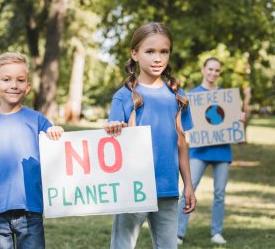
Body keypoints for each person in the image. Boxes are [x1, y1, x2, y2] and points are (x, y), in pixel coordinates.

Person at [103, 22, 196, 249]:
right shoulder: (123, 96)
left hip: (167, 188)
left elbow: (182, 143)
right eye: (150, 51)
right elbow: (109, 145)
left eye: (164, 52)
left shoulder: (178, 96)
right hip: (133, 189)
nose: (158, 58)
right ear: (134, 54)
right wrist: (114, 129)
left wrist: (189, 185)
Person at [0, 52, 64, 249]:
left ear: (27, 87)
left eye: (20, 80)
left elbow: (58, 145)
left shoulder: (37, 120)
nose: (14, 85)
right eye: (6, 79)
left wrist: (56, 131)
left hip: (30, 209)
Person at [177, 57, 240, 245]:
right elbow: (185, 123)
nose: (213, 73)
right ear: (203, 69)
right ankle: (178, 233)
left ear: (219, 73)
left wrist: (240, 117)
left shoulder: (226, 97)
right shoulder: (193, 95)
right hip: (199, 150)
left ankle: (217, 232)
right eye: (210, 69)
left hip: (222, 151)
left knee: (220, 193)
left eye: (217, 70)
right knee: (189, 190)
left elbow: (231, 121)